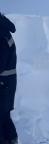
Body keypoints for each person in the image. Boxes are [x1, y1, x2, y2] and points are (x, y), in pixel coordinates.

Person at [0, 13, 18, 144]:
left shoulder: (1, 35)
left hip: (3, 86)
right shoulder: (3, 29)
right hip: (6, 84)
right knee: (4, 118)